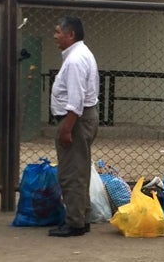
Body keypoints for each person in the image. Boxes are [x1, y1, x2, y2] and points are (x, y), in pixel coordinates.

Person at [47, 16, 99, 238]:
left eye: (58, 32)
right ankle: (81, 218)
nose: (55, 35)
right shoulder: (79, 55)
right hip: (79, 119)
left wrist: (66, 129)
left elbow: (76, 101)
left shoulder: (76, 60)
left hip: (75, 121)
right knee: (79, 170)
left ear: (71, 35)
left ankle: (75, 223)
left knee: (71, 173)